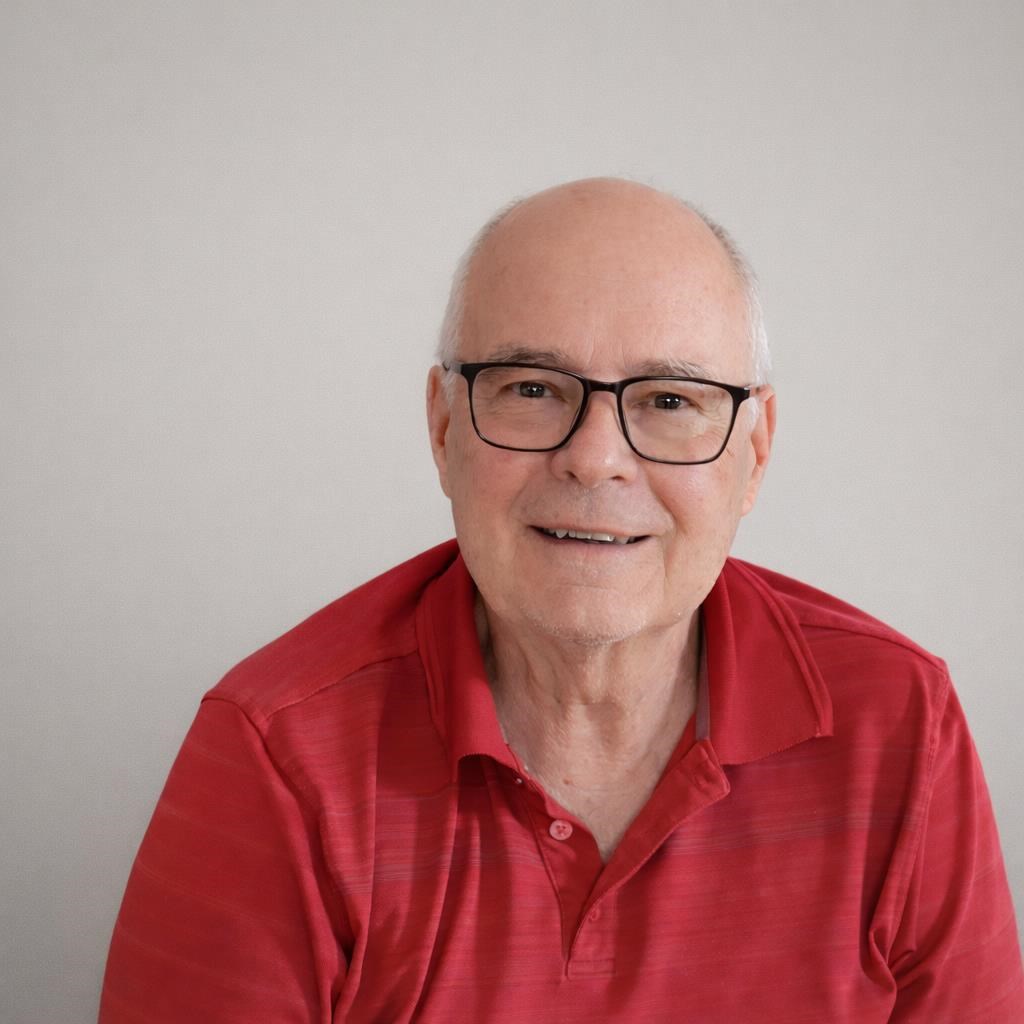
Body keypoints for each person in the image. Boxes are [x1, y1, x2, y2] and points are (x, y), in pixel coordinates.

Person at [99, 178, 1024, 1022]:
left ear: (755, 452)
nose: (595, 458)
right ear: (443, 429)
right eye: (533, 389)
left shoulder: (901, 724)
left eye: (669, 401)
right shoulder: (276, 754)